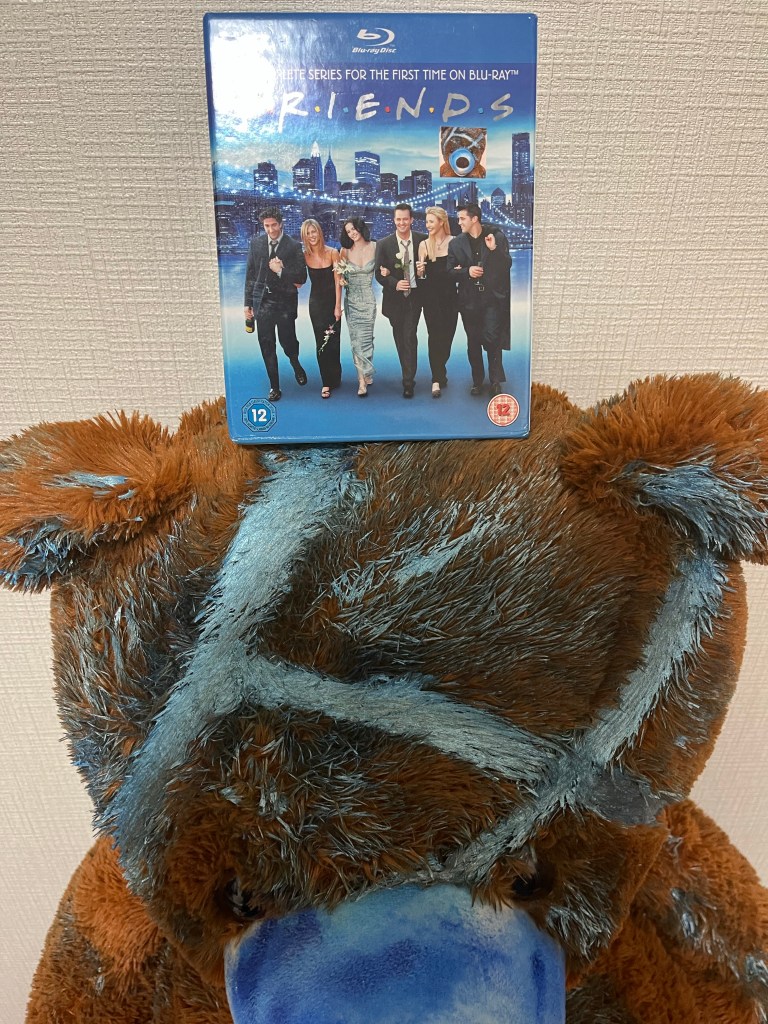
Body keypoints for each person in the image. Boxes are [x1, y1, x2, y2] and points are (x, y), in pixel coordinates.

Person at [243, 208, 308, 402]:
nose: (270, 229)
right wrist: (247, 304)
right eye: (266, 226)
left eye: (273, 225)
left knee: (288, 342)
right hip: (262, 303)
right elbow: (250, 275)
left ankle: (295, 363)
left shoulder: (294, 246)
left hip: (285, 304)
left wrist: (280, 271)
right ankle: (275, 386)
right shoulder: (255, 244)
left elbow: (301, 278)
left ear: (280, 224)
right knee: (266, 345)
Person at [447, 202, 511, 398]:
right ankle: (477, 381)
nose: (459, 222)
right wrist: (467, 271)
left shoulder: (496, 236)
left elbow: (506, 265)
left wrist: (494, 249)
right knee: (473, 342)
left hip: (492, 299)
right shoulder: (456, 243)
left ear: (474, 218)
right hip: (468, 301)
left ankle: (495, 381)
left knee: (492, 338)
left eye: (462, 219)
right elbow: (449, 272)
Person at [375, 204, 427, 399]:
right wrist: (394, 283)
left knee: (409, 336)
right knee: (400, 338)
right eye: (398, 219)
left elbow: (432, 269)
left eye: (405, 219)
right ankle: (407, 372)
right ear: (394, 220)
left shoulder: (423, 240)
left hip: (416, 297)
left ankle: (408, 382)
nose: (402, 223)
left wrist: (423, 272)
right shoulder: (383, 244)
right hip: (394, 300)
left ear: (411, 220)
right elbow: (378, 274)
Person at [416, 207, 459, 399]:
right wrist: (420, 271)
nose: (428, 225)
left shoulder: (455, 242)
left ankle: (440, 369)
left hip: (450, 298)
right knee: (434, 337)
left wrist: (460, 269)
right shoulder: (424, 245)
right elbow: (421, 277)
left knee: (447, 337)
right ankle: (436, 378)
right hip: (431, 298)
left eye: (431, 221)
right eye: (426, 222)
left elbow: (460, 271)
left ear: (442, 222)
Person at [301, 219, 342, 399]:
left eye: (314, 231)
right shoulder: (304, 256)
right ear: (304, 236)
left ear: (319, 232)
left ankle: (335, 377)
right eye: (308, 233)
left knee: (334, 341)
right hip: (315, 305)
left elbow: (338, 282)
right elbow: (297, 278)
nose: (312, 236)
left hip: (332, 303)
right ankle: (326, 381)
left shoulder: (333, 253)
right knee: (321, 342)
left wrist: (338, 306)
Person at [339, 218, 377, 397]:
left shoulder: (375, 247)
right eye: (348, 231)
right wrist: (341, 279)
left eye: (354, 229)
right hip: (352, 301)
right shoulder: (344, 251)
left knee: (367, 338)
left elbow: (385, 268)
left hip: (369, 300)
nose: (352, 233)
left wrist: (386, 272)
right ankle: (361, 380)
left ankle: (367, 370)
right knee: (356, 340)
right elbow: (339, 275)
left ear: (361, 228)